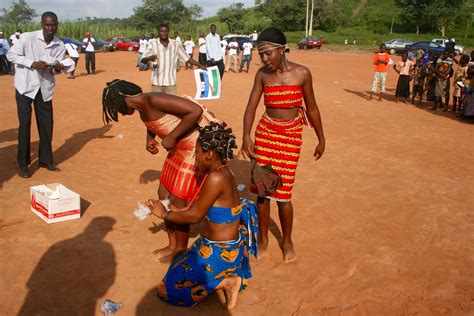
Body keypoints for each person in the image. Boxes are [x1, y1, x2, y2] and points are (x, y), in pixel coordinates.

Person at [145, 121, 258, 310]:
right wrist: (175, 210)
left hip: (221, 251)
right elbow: (199, 209)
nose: (195, 157)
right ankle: (223, 277)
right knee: (176, 268)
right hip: (222, 246)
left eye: (196, 152)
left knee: (166, 290)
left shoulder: (215, 178)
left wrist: (165, 214)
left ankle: (226, 282)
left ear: (209, 154)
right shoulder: (222, 172)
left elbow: (195, 216)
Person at [102, 79, 216, 262]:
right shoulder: (142, 108)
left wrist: (171, 136)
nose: (119, 113)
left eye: (114, 108)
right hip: (178, 150)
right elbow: (153, 124)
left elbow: (195, 111)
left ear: (119, 100)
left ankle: (180, 249)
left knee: (177, 200)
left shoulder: (152, 99)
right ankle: (172, 245)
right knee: (163, 194)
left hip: (194, 148)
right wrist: (149, 139)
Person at [240, 27, 325, 263]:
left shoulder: (302, 74)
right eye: (261, 55)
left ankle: (287, 241)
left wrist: (321, 138)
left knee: (284, 194)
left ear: (281, 49)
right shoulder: (262, 75)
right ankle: (264, 239)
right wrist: (247, 136)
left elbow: (313, 108)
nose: (265, 59)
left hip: (290, 137)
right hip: (266, 133)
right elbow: (251, 107)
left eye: (268, 53)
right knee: (262, 192)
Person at [6, 12, 65, 178]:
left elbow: (55, 68)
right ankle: (23, 164)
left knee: (47, 125)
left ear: (57, 25)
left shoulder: (59, 44)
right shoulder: (27, 38)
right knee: (25, 124)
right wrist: (32, 63)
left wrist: (57, 68)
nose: (51, 28)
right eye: (47, 25)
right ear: (42, 24)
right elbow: (11, 55)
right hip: (25, 86)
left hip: (44, 89)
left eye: (53, 25)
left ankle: (46, 160)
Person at [141, 24, 202, 95]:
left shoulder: (175, 44)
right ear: (158, 32)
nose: (163, 33)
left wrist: (200, 65)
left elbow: (187, 58)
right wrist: (149, 58)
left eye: (165, 31)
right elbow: (143, 60)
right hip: (156, 83)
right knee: (157, 106)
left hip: (171, 84)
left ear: (168, 32)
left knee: (171, 105)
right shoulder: (153, 43)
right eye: (161, 31)